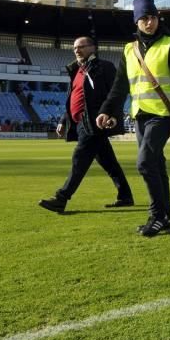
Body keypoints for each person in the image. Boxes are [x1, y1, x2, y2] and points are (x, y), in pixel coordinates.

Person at [96, 0, 170, 237]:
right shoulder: (129, 50)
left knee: (145, 163)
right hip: (139, 115)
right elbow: (120, 86)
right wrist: (107, 110)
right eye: (143, 18)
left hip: (162, 115)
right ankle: (166, 216)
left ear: (158, 18)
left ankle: (157, 215)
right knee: (157, 165)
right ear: (136, 22)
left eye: (152, 17)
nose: (149, 22)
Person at [38, 36, 133, 214]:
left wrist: (112, 115)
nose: (77, 50)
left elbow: (117, 93)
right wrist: (63, 120)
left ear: (93, 48)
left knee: (79, 159)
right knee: (109, 162)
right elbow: (74, 98)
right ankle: (125, 196)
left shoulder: (104, 67)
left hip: (95, 122)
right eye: (74, 47)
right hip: (80, 122)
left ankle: (61, 198)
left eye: (81, 46)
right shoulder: (77, 70)